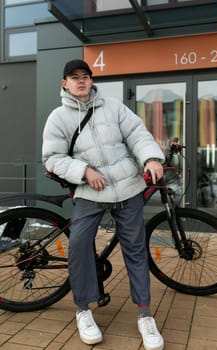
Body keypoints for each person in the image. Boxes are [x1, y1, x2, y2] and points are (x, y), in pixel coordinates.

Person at [42, 59, 165, 350]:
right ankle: (83, 309)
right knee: (79, 246)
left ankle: (145, 314)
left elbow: (136, 133)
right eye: (74, 77)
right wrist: (83, 171)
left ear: (91, 80)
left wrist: (150, 157)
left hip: (127, 187)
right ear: (65, 83)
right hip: (90, 192)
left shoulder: (114, 107)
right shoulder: (58, 118)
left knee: (135, 248)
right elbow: (52, 157)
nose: (81, 81)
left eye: (85, 76)